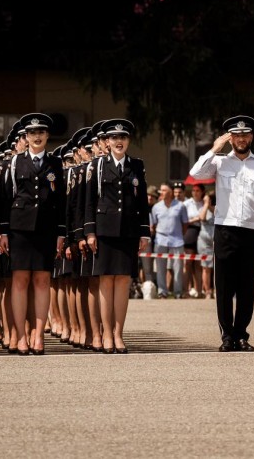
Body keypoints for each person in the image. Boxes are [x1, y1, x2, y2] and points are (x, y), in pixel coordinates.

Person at [189, 115, 254, 352]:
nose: (241, 139)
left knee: (247, 286)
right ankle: (227, 335)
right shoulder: (218, 162)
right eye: (236, 135)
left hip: (250, 231)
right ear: (230, 138)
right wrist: (214, 148)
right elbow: (195, 174)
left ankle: (241, 335)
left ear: (251, 137)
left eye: (245, 134)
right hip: (225, 229)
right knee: (225, 287)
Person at [0, 113, 66, 355]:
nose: (37, 136)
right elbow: (4, 200)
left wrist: (61, 233)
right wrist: (3, 231)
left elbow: (61, 201)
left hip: (46, 229)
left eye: (41, 132)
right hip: (19, 229)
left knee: (42, 281)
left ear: (47, 136)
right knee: (20, 281)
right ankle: (20, 334)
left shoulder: (56, 164)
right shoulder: (14, 163)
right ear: (26, 137)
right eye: (32, 133)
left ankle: (38, 334)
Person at [84, 119, 151, 354]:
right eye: (114, 138)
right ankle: (105, 333)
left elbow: (142, 202)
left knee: (123, 282)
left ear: (128, 141)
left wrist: (144, 232)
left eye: (122, 138)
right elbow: (89, 201)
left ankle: (118, 333)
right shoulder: (97, 166)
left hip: (129, 231)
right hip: (104, 231)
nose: (118, 141)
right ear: (107, 142)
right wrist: (90, 232)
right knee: (105, 282)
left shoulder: (137, 165)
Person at [150, 183, 189, 298]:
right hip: (160, 240)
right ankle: (162, 292)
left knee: (178, 267)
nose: (161, 192)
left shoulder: (181, 206)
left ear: (170, 192)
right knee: (160, 267)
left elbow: (185, 224)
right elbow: (154, 225)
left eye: (164, 190)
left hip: (177, 240)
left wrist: (179, 234)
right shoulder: (156, 207)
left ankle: (177, 292)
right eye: (161, 190)